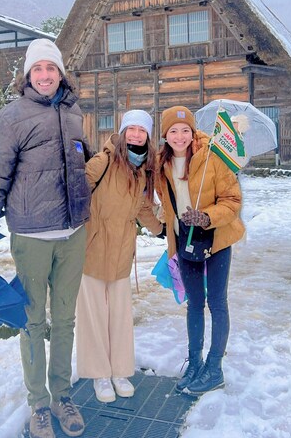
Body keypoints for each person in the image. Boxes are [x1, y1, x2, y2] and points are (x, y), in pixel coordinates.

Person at [0, 38, 91, 438]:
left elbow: (82, 165)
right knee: (34, 322)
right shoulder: (12, 116)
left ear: (60, 74)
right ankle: (38, 403)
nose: (44, 76)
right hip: (32, 235)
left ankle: (62, 396)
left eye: (50, 69)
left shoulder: (74, 113)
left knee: (66, 321)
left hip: (72, 234)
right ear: (27, 75)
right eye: (37, 70)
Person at [155, 105, 244, 396]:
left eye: (185, 130)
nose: (179, 136)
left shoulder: (213, 158)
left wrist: (206, 217)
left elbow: (232, 200)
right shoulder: (162, 164)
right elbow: (165, 202)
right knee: (194, 303)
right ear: (165, 135)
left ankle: (214, 368)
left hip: (216, 240)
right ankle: (195, 363)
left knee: (217, 302)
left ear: (193, 133)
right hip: (185, 242)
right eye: (173, 131)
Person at [75, 109, 163, 403]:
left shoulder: (142, 170)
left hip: (123, 251)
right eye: (132, 128)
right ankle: (99, 374)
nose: (136, 134)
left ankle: (120, 371)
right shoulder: (102, 162)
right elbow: (74, 192)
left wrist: (160, 229)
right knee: (93, 316)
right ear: (123, 132)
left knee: (121, 316)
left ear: (148, 136)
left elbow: (141, 207)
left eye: (142, 130)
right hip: (92, 249)